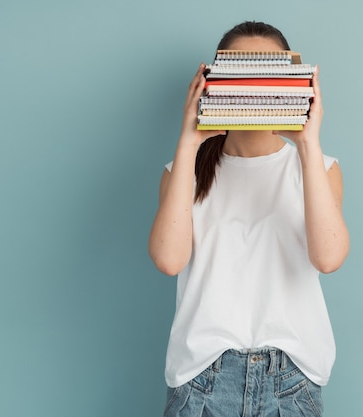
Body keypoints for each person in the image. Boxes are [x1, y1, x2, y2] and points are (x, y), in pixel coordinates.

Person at [149, 20, 350, 417]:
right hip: (201, 380)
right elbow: (169, 260)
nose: (256, 86)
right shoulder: (182, 171)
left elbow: (328, 258)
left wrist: (308, 143)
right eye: (243, 73)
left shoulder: (319, 168)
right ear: (215, 82)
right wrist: (189, 140)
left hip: (291, 382)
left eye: (270, 73)